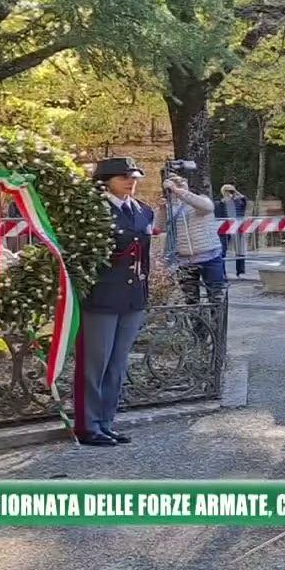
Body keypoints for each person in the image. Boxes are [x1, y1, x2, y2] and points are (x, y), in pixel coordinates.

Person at [74, 158, 154, 447]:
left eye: (133, 177)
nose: (130, 182)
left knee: (117, 364)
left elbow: (144, 256)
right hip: (101, 297)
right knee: (95, 365)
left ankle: (107, 422)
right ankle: (88, 425)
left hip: (132, 298)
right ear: (105, 181)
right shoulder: (92, 211)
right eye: (123, 178)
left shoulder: (143, 211)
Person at [155, 175, 226, 304]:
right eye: (172, 182)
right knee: (191, 299)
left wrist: (179, 191)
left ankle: (216, 323)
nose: (176, 184)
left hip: (210, 256)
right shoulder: (169, 207)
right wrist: (162, 209)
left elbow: (207, 207)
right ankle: (196, 323)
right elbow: (160, 228)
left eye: (179, 180)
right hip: (184, 260)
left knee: (216, 296)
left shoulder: (200, 200)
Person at [214, 184, 249, 278]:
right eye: (227, 191)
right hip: (224, 230)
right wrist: (225, 199)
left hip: (238, 228)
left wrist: (235, 192)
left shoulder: (239, 201)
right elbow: (217, 214)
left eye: (231, 191)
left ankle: (240, 272)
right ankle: (223, 273)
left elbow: (244, 200)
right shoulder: (220, 202)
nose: (230, 193)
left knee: (240, 251)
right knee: (222, 251)